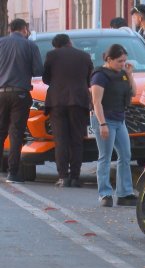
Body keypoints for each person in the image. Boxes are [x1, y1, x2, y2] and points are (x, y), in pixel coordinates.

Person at [42, 34, 93, 188]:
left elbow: (45, 79)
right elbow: (89, 80)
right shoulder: (84, 56)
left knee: (61, 140)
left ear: (55, 46)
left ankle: (63, 177)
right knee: (77, 140)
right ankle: (75, 177)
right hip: (78, 101)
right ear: (70, 42)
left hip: (57, 101)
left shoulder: (51, 55)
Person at [90, 44, 137, 207]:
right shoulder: (100, 76)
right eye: (119, 61)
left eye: (124, 61)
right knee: (105, 156)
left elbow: (133, 92)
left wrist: (130, 74)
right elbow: (96, 102)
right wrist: (102, 124)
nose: (122, 64)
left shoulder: (123, 73)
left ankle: (124, 193)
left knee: (125, 155)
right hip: (105, 119)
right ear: (109, 59)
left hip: (119, 119)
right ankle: (105, 194)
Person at [0, 18, 43, 183]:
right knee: (16, 132)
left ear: (10, 29)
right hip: (20, 93)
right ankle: (13, 172)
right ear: (24, 29)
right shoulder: (30, 45)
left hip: (1, 93)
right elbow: (38, 70)